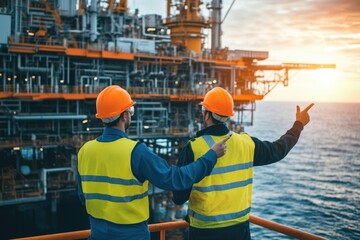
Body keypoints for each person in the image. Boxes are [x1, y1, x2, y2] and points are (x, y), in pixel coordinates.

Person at [76, 85, 229, 240]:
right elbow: (176, 179)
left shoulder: (84, 151)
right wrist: (211, 156)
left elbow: (82, 196)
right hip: (132, 235)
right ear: (124, 116)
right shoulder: (135, 152)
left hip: (97, 233)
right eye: (130, 111)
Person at [172, 87, 314, 240]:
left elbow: (179, 197)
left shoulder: (193, 148)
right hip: (240, 230)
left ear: (207, 115)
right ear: (228, 116)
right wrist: (298, 124)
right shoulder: (246, 144)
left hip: (205, 232)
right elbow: (278, 150)